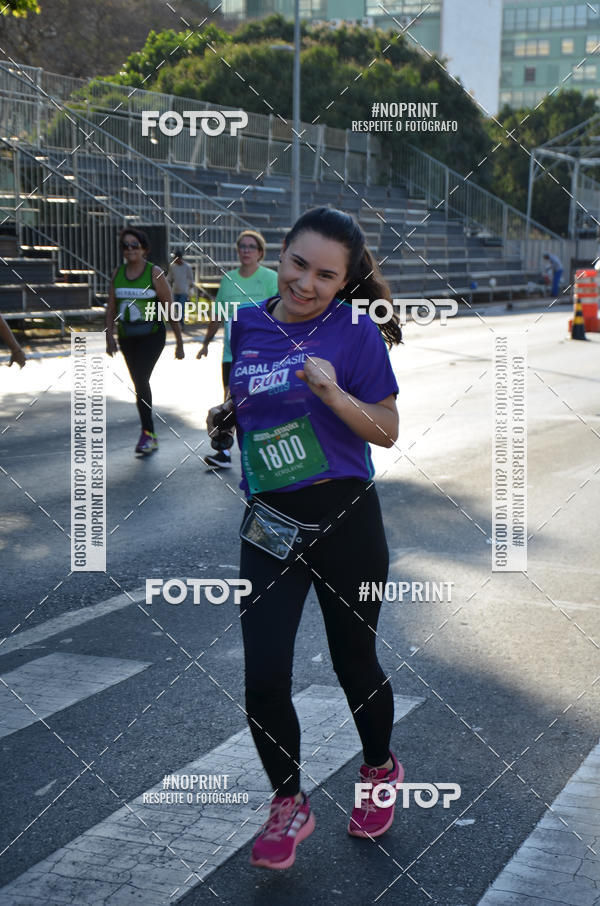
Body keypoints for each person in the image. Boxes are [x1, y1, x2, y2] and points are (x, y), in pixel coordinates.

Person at [207, 207, 403, 871]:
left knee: (355, 664)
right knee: (263, 675)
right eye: (298, 264)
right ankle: (287, 801)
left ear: (345, 281)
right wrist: (229, 416)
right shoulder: (248, 321)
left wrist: (333, 393)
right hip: (268, 522)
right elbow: (251, 400)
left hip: (346, 518)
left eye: (326, 274)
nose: (306, 283)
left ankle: (379, 768)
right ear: (279, 255)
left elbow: (386, 429)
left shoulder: (355, 332)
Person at [198, 229, 278, 469]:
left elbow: (280, 314)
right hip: (232, 353)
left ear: (260, 252)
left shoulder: (270, 278)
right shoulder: (228, 279)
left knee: (263, 401)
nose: (246, 250)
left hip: (263, 353)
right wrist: (205, 343)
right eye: (242, 246)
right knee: (229, 402)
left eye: (251, 247)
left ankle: (267, 451)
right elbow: (218, 315)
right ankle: (223, 451)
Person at [105, 227, 184, 455]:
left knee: (140, 379)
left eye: (134, 245)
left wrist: (178, 341)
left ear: (144, 249)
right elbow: (111, 308)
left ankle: (148, 433)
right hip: (127, 336)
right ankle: (148, 433)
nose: (130, 250)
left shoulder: (154, 273)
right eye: (125, 246)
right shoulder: (117, 273)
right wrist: (109, 336)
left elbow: (170, 309)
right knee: (139, 384)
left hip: (152, 335)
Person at [167, 248, 194, 328]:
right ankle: (179, 322)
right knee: (176, 307)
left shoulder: (187, 267)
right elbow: (169, 278)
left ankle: (181, 322)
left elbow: (191, 279)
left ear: (180, 258)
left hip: (184, 291)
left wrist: (190, 289)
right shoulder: (172, 266)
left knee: (181, 307)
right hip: (175, 290)